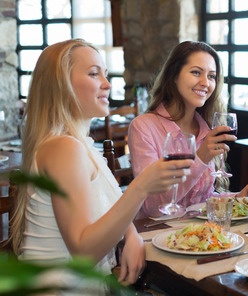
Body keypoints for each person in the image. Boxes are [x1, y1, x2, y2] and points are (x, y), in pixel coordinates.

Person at [9, 39, 194, 294]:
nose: (107, 84)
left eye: (105, 74)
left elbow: (107, 201)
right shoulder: (65, 148)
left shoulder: (80, 144)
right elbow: (83, 254)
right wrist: (140, 188)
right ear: (61, 85)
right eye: (94, 73)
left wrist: (131, 235)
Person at [128, 41, 248, 218]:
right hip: (156, 234)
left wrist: (237, 198)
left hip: (197, 236)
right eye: (196, 72)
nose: (205, 82)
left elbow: (201, 200)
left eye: (211, 76)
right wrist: (201, 157)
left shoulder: (206, 129)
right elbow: (154, 206)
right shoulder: (143, 127)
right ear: (174, 75)